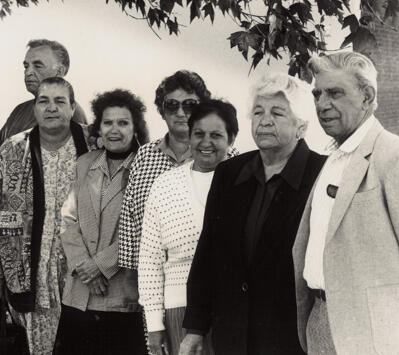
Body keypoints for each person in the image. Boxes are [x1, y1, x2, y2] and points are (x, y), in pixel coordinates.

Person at [292, 51, 399, 355]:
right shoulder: (334, 157)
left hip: (378, 338)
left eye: (335, 93)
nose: (322, 104)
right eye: (317, 94)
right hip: (321, 322)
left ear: (367, 96)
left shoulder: (396, 157)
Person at [180, 73, 326, 355]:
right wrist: (195, 328)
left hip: (291, 339)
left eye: (278, 112)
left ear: (302, 126)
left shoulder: (322, 175)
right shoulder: (229, 173)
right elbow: (207, 252)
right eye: (258, 112)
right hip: (232, 336)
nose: (265, 120)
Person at [0, 77, 89, 354]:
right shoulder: (13, 149)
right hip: (28, 276)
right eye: (43, 101)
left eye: (60, 101)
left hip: (82, 275)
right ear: (35, 107)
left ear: (72, 106)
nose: (51, 108)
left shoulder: (91, 145)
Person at [138, 99, 238, 355]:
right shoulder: (164, 186)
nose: (206, 142)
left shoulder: (245, 182)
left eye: (216, 135)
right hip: (179, 312)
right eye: (199, 134)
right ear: (190, 137)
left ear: (232, 138)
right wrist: (154, 325)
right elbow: (150, 260)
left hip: (234, 311)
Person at [58, 89, 150, 355]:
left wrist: (99, 265)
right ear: (99, 127)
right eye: (108, 122)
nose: (114, 130)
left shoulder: (145, 167)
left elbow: (143, 227)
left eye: (123, 123)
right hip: (80, 291)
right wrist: (82, 267)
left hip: (121, 292)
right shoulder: (84, 163)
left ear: (135, 129)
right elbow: (67, 219)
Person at [118, 70, 238, 271]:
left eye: (190, 105)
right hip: (151, 273)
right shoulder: (145, 154)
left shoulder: (228, 155)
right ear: (161, 111)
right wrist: (131, 277)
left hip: (212, 271)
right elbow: (129, 216)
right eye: (172, 105)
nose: (181, 113)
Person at [0, 39, 88, 192]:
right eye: (26, 66)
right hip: (9, 208)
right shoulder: (19, 110)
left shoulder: (72, 113)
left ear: (59, 71)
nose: (28, 72)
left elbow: (77, 170)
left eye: (37, 65)